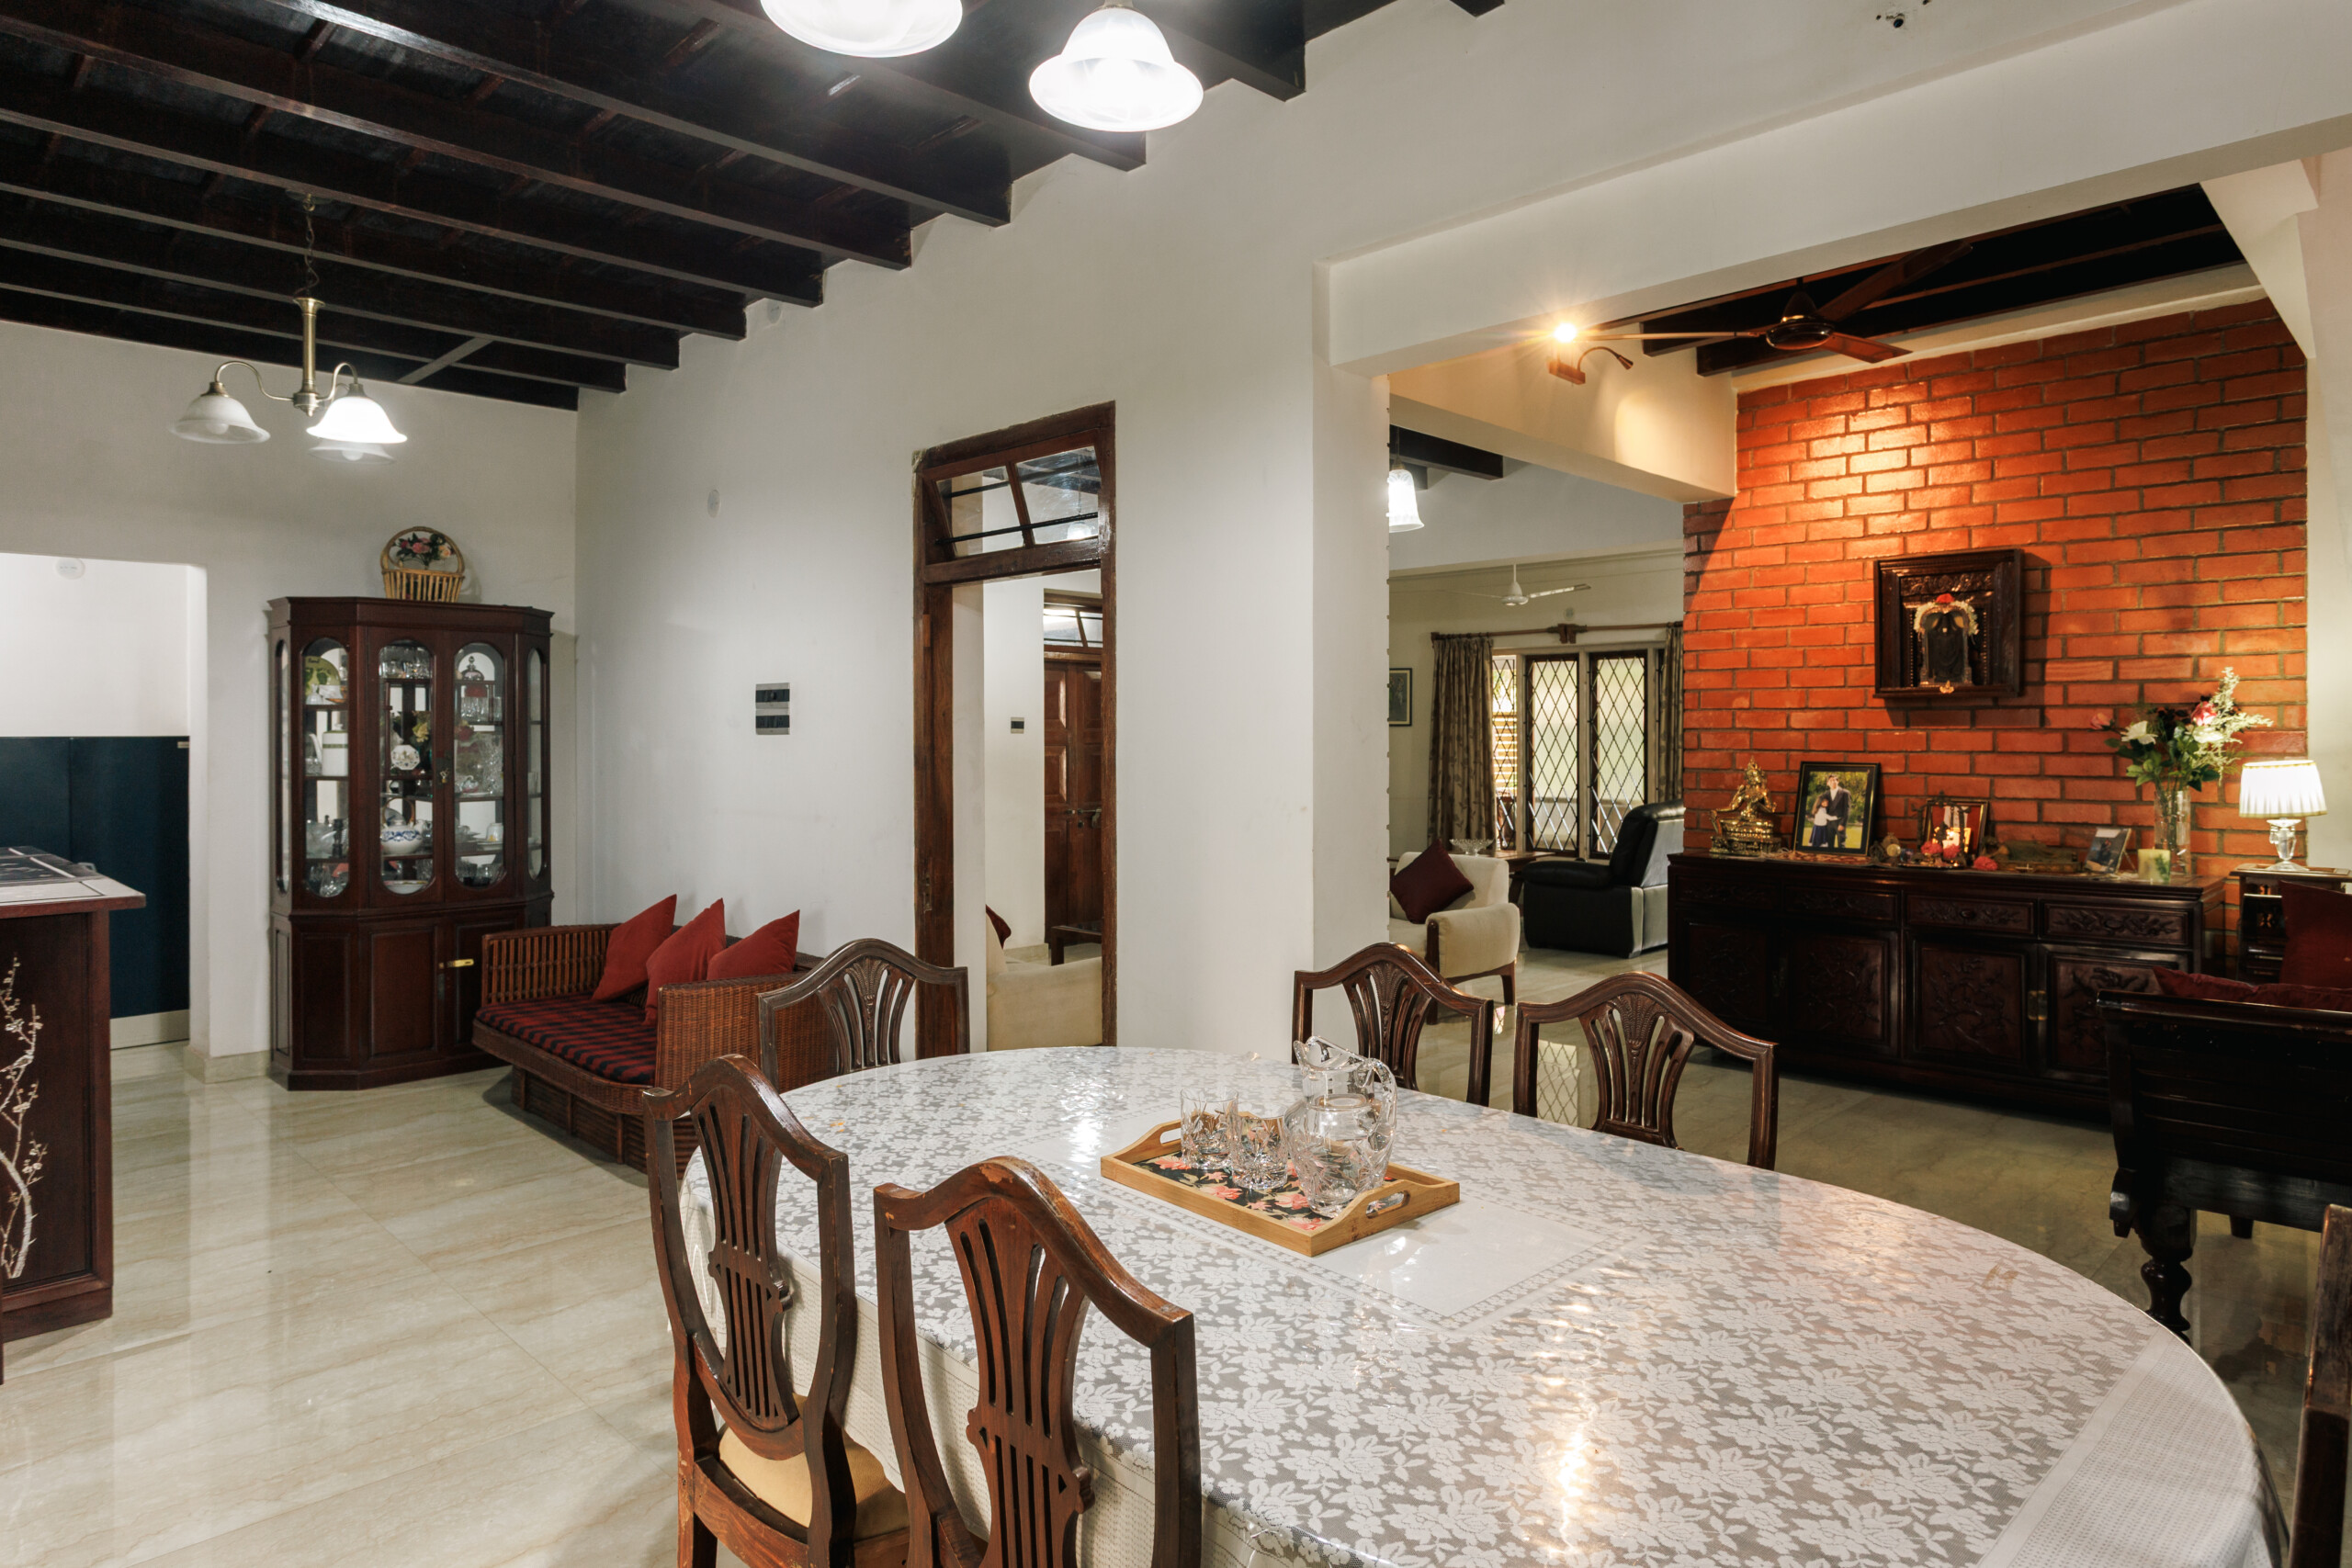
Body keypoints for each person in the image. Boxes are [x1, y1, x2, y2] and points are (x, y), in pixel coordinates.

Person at [1808, 774, 1850, 849]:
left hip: (1840, 822)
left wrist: (1842, 824)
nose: (1833, 782)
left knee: (1841, 845)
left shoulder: (1845, 793)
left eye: (1834, 780)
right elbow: (1819, 804)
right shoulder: (1826, 794)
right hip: (1828, 824)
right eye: (1831, 780)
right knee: (1829, 846)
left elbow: (1847, 810)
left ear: (1838, 781)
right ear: (1827, 783)